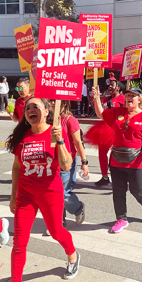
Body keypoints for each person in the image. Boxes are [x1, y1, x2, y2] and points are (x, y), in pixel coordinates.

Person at [6, 97, 80, 281]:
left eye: (36, 107)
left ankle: (73, 255)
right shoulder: (22, 135)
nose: (31, 110)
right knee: (19, 244)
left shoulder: (56, 132)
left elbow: (66, 166)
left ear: (47, 111)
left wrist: (61, 140)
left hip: (50, 193)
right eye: (28, 108)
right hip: (25, 194)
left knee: (56, 232)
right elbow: (16, 168)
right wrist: (13, 196)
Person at [91, 86, 142, 233]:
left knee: (137, 190)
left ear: (139, 100)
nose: (128, 98)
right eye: (127, 95)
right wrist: (96, 97)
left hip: (137, 161)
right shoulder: (117, 112)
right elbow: (100, 114)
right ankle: (121, 219)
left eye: (132, 96)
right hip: (117, 160)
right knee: (118, 191)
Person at [49, 100, 87, 229]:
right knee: (54, 193)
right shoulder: (46, 119)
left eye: (55, 101)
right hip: (51, 162)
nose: (52, 103)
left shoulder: (71, 120)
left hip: (67, 161)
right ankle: (60, 222)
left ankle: (77, 207)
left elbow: (78, 143)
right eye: (50, 101)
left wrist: (84, 162)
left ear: (63, 104)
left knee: (62, 193)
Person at [84, 79, 125, 186]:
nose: (109, 87)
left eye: (112, 85)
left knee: (115, 154)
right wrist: (96, 97)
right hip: (105, 128)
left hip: (117, 129)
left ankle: (118, 176)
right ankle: (104, 176)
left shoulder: (123, 99)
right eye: (109, 85)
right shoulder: (107, 99)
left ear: (118, 87)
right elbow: (100, 112)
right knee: (102, 153)